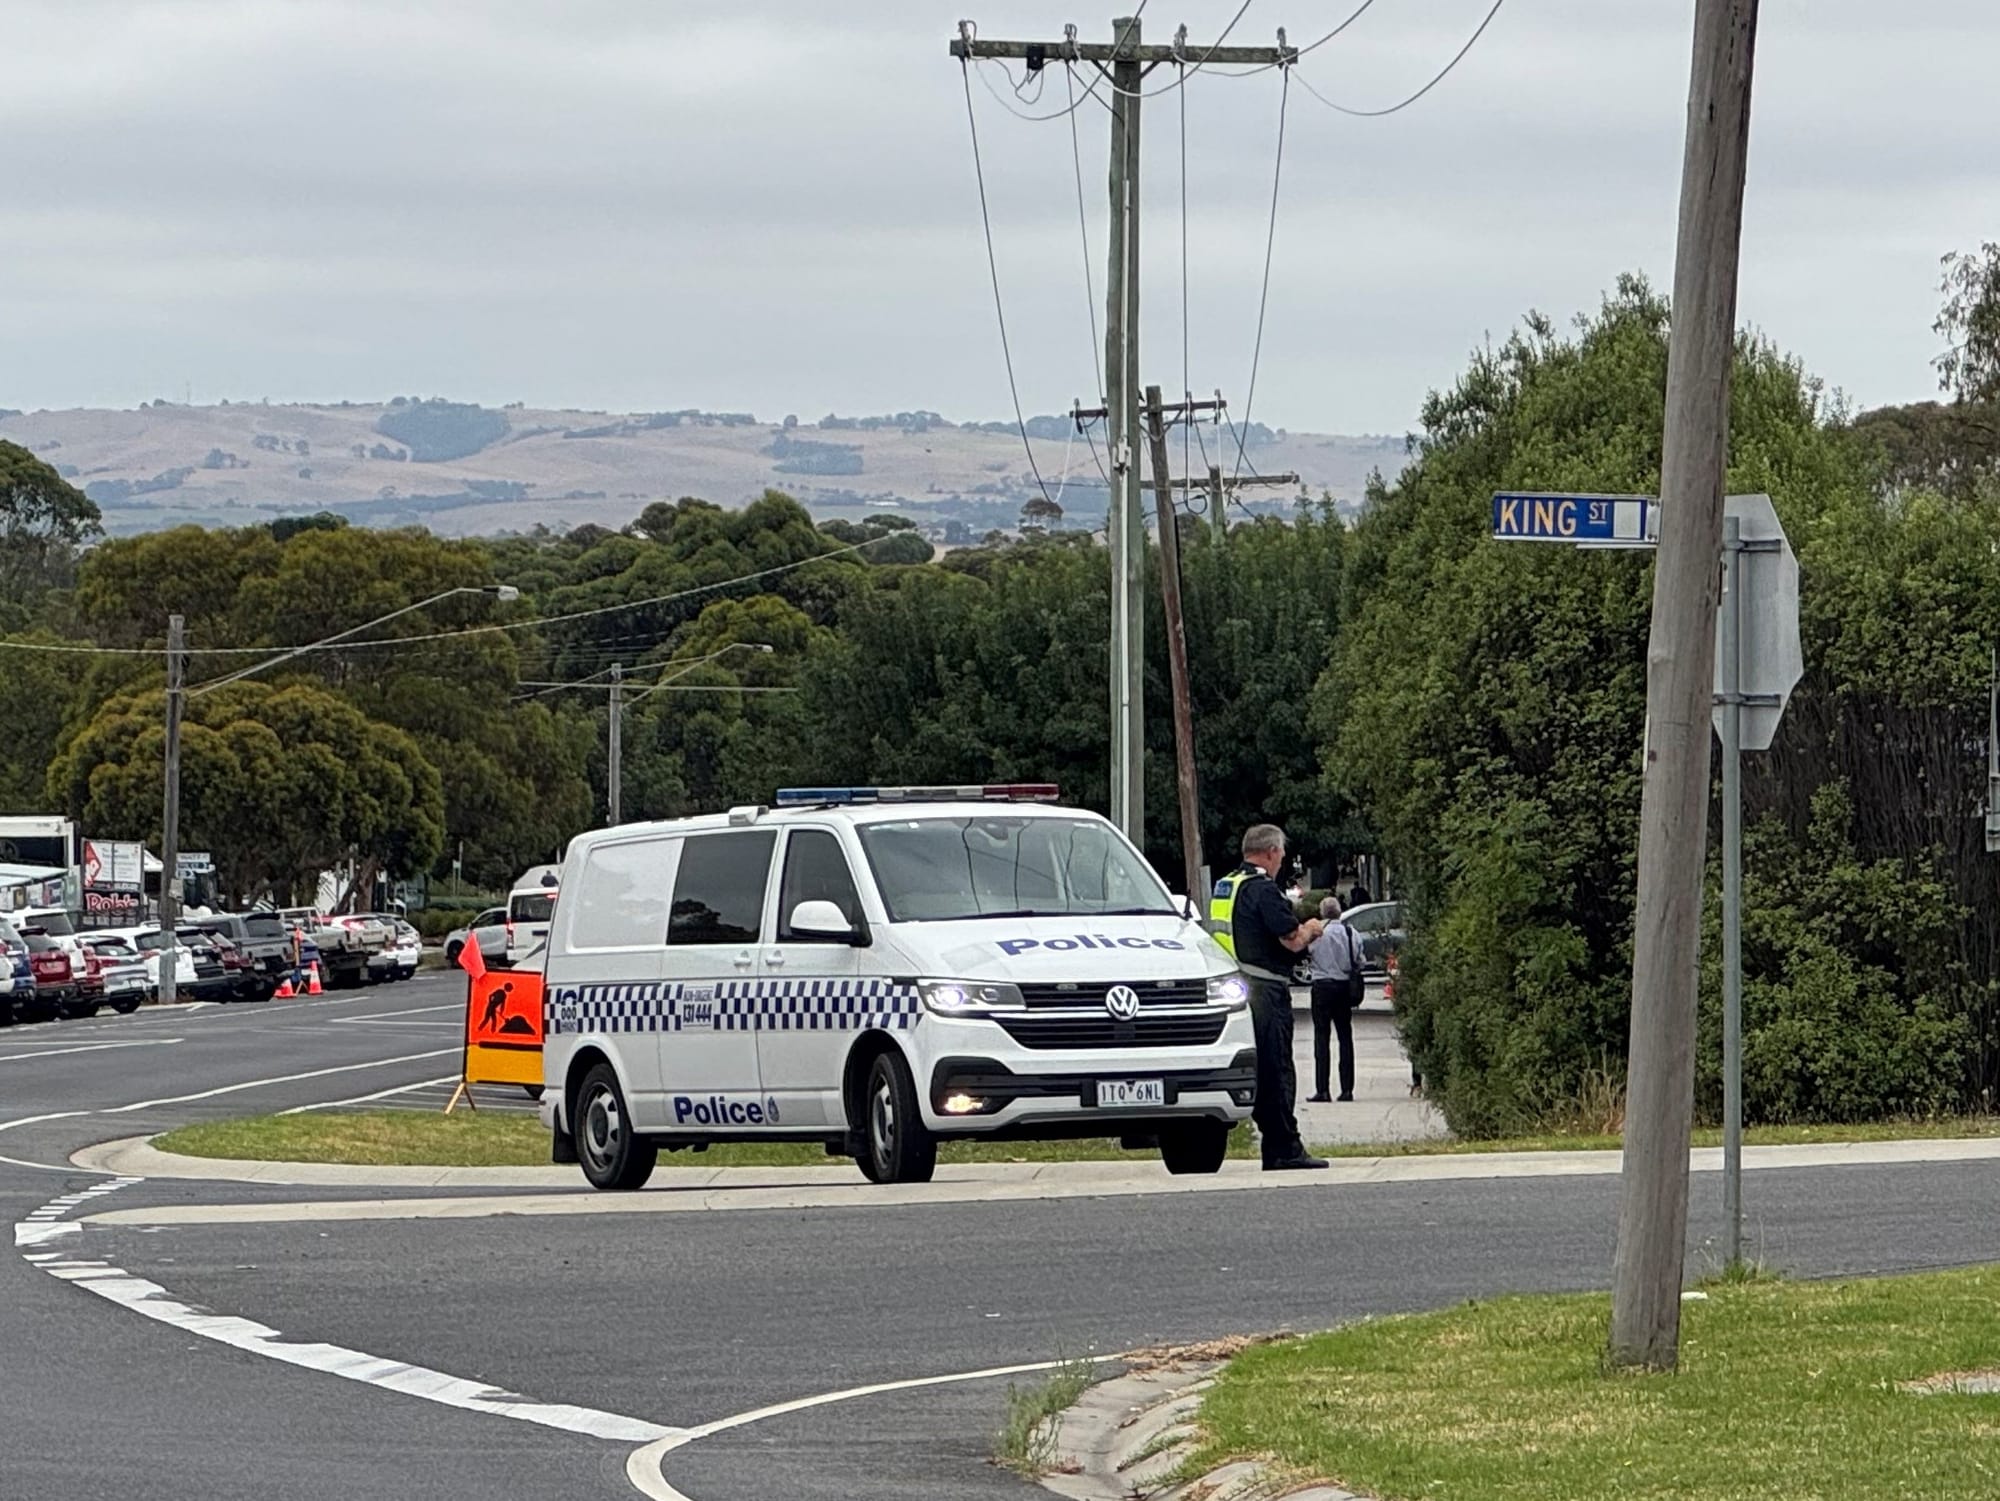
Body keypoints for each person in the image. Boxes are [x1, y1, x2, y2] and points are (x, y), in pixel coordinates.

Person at [1210, 823, 1328, 1170]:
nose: (1282, 860)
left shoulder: (1226, 885)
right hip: (1266, 991)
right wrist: (1313, 928)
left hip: (1238, 989)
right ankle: (1284, 1148)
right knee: (1278, 1070)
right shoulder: (1262, 890)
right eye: (1281, 854)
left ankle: (1273, 1143)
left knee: (1260, 1070)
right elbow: (1291, 939)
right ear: (1272, 852)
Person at [1305, 896, 1361, 1102]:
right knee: (1345, 1037)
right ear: (1339, 912)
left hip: (1321, 987)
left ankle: (1323, 1089)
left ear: (1322, 913)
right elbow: (1359, 960)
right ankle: (1347, 1089)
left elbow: (1308, 951)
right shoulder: (1350, 933)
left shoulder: (1318, 934)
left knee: (1321, 1038)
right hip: (1344, 987)